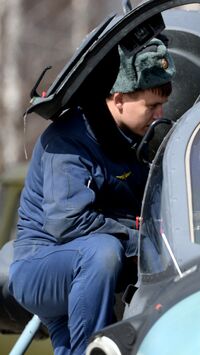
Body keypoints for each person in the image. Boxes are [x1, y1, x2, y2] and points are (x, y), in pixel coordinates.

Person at [8, 38, 175, 355]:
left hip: (87, 275)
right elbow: (68, 223)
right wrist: (142, 240)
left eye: (162, 105)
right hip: (42, 267)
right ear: (120, 99)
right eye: (151, 106)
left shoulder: (131, 140)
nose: (160, 113)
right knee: (102, 250)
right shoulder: (69, 139)